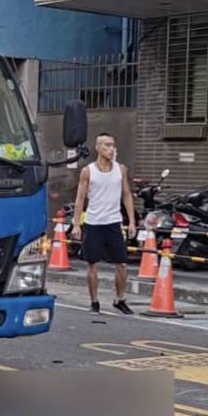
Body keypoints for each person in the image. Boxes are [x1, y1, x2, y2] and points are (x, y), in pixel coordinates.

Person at [72, 133, 136, 315]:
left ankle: (120, 299)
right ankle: (94, 301)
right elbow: (80, 198)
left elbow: (126, 194)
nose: (111, 149)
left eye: (113, 145)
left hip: (113, 222)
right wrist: (76, 224)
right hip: (93, 223)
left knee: (122, 263)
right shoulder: (88, 171)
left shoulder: (121, 169)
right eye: (107, 145)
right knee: (92, 264)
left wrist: (131, 221)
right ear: (98, 147)